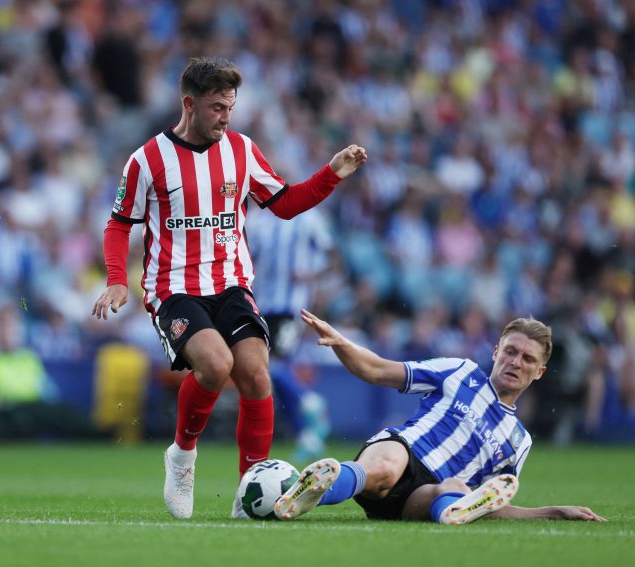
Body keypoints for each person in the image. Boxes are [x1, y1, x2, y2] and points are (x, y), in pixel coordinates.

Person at [91, 56, 367, 519]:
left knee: (256, 375)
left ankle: (250, 489)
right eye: (217, 107)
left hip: (232, 283)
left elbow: (284, 203)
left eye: (230, 108)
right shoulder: (148, 159)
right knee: (215, 366)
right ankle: (181, 456)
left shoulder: (241, 150)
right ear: (189, 104)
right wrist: (118, 280)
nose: (225, 117)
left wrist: (332, 173)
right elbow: (119, 225)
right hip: (173, 287)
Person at [272, 309, 605, 524]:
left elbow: (489, 504)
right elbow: (377, 371)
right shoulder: (459, 371)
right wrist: (342, 343)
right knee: (384, 469)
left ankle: (449, 512)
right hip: (401, 451)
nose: (516, 362)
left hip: (418, 500)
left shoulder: (519, 442)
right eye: (510, 352)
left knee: (457, 489)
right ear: (496, 352)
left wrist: (555, 512)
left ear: (540, 372)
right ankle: (316, 490)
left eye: (527, 359)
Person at [247, 206, 333, 463]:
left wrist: (310, 277)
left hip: (290, 307)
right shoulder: (255, 220)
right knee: (266, 369)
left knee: (272, 366)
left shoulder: (308, 216)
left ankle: (310, 403)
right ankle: (307, 432)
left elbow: (333, 257)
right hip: (259, 305)